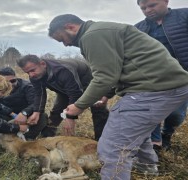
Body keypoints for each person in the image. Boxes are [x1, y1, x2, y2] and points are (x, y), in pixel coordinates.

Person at [47, 14, 188, 179]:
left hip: (153, 89)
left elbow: (105, 77)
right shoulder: (101, 30)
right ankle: (146, 167)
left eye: (62, 39)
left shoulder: (92, 36)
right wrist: (107, 95)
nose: (65, 44)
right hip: (163, 86)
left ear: (70, 27)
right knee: (133, 129)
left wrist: (78, 106)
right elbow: (119, 69)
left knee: (111, 147)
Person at [135, 0, 188, 152]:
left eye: (152, 5)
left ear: (165, 1)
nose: (147, 10)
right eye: (143, 8)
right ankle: (155, 142)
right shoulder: (139, 28)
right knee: (152, 109)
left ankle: (167, 133)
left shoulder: (184, 16)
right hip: (153, 78)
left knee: (176, 113)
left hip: (182, 77)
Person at [16, 55, 109, 141]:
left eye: (32, 70)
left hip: (86, 84)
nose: (31, 75)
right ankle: (46, 136)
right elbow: (39, 94)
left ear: (43, 64)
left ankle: (101, 140)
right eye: (27, 72)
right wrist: (37, 112)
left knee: (98, 108)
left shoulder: (62, 70)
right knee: (57, 111)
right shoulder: (34, 76)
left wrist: (70, 117)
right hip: (63, 88)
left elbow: (75, 93)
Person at [0, 67, 48, 140]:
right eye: (6, 82)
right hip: (7, 115)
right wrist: (11, 114)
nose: (10, 84)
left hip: (26, 116)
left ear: (16, 77)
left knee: (42, 116)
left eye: (13, 81)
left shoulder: (27, 86)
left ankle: (28, 137)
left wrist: (24, 113)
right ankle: (5, 136)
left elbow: (35, 103)